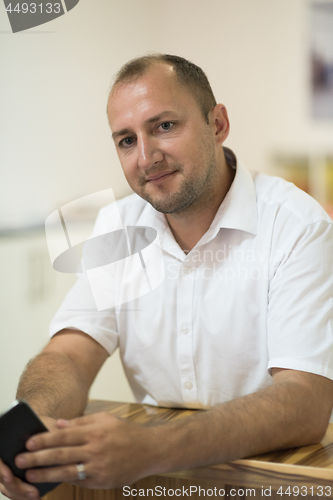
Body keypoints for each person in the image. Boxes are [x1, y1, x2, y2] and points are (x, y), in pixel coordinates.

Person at [1, 54, 333, 500]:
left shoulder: (296, 225)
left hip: (277, 480)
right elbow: (71, 354)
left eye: (164, 126)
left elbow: (304, 403)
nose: (146, 157)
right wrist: (35, 434)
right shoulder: (118, 227)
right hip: (160, 482)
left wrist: (153, 448)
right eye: (125, 140)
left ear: (217, 124)